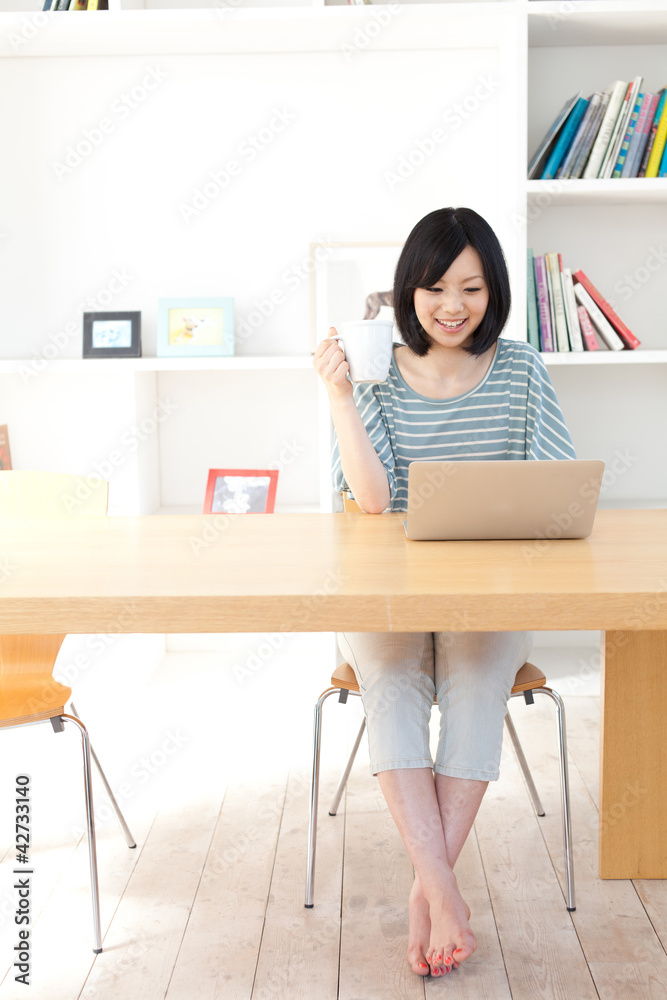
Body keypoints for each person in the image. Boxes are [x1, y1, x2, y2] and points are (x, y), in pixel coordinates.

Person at [312, 207, 576, 979]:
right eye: (433, 288)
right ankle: (441, 892)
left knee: (473, 684)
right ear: (406, 293)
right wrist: (338, 401)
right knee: (391, 681)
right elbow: (369, 502)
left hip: (491, 594)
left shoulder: (521, 369)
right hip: (386, 597)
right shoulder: (374, 371)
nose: (452, 306)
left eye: (470, 287)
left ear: (494, 289)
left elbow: (555, 488)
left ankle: (431, 894)